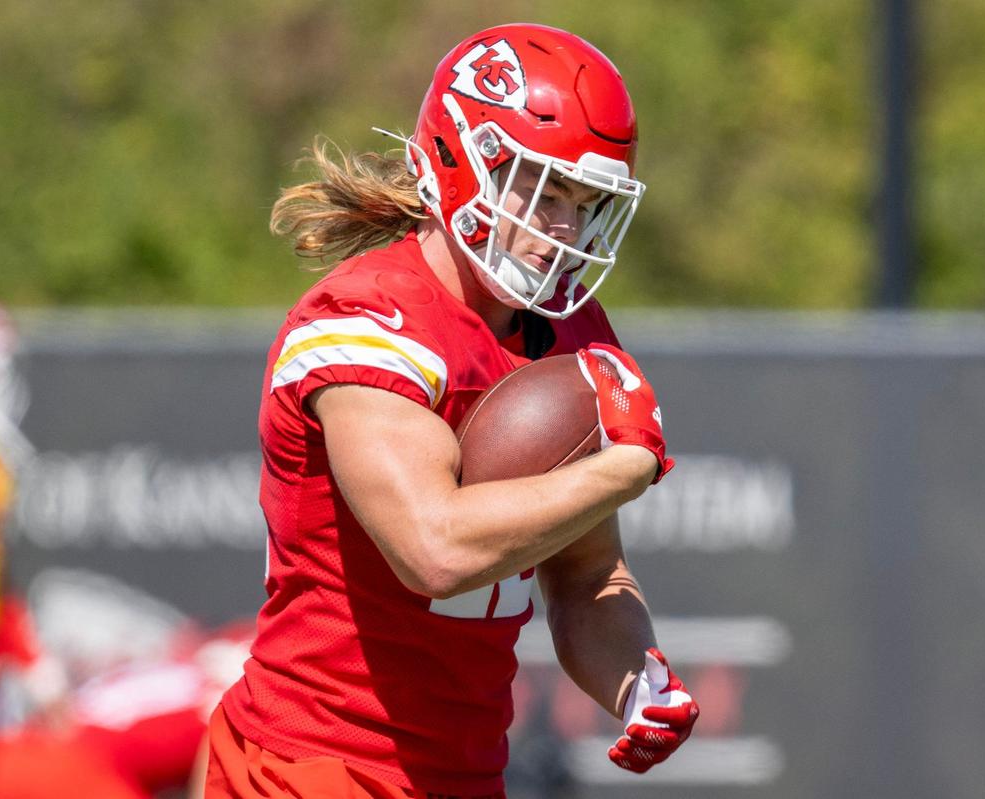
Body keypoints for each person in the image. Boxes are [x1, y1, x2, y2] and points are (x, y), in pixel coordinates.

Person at [206, 23, 699, 799]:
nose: (562, 230)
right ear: (460, 160)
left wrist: (639, 678)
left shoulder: (569, 332)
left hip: (462, 772)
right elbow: (434, 548)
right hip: (314, 765)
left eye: (583, 201)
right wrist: (625, 467)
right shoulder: (369, 321)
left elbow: (586, 571)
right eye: (540, 190)